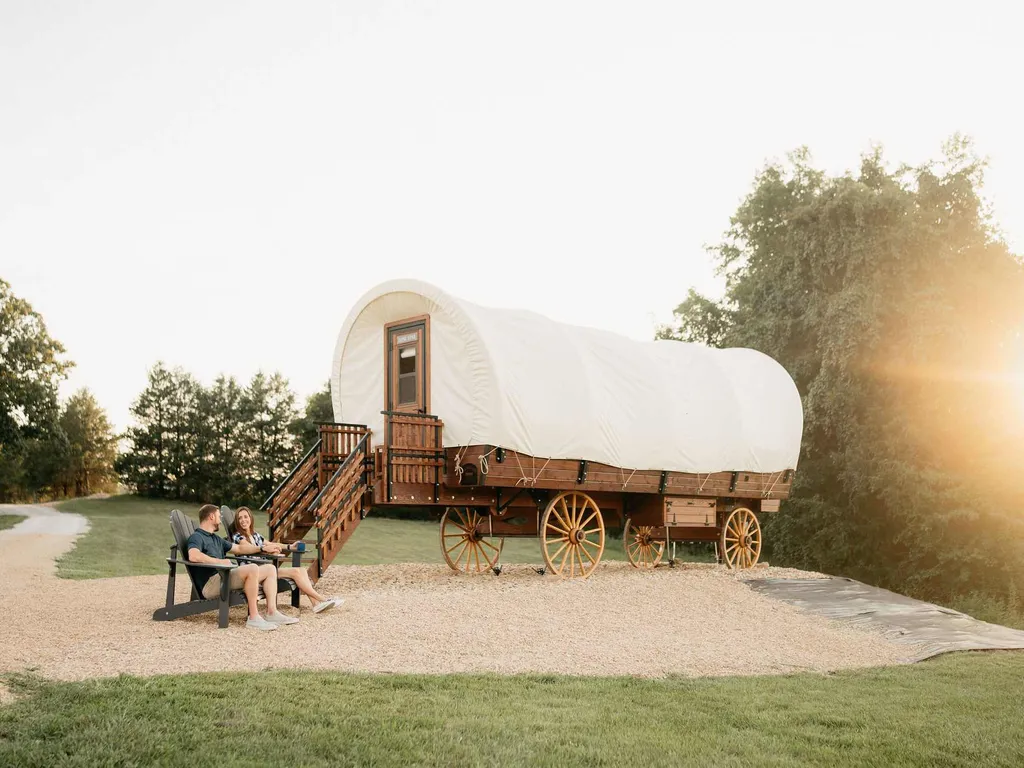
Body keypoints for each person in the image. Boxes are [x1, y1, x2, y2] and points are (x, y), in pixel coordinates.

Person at [185, 503, 299, 631]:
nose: (220, 521)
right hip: (211, 584)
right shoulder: (197, 537)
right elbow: (193, 556)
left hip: (224, 577)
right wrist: (220, 562)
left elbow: (239, 548)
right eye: (218, 516)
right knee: (252, 568)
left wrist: (262, 548)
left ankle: (271, 612)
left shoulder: (216, 539)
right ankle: (253, 618)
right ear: (211, 517)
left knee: (270, 569)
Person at [230, 506, 344, 614]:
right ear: (237, 522)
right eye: (240, 518)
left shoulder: (255, 535)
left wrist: (290, 547)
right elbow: (246, 547)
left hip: (265, 569)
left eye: (246, 517)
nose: (243, 520)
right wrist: (266, 550)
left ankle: (315, 604)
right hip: (254, 573)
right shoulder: (238, 536)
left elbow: (270, 544)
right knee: (295, 572)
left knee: (301, 570)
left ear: (251, 518)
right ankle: (323, 599)